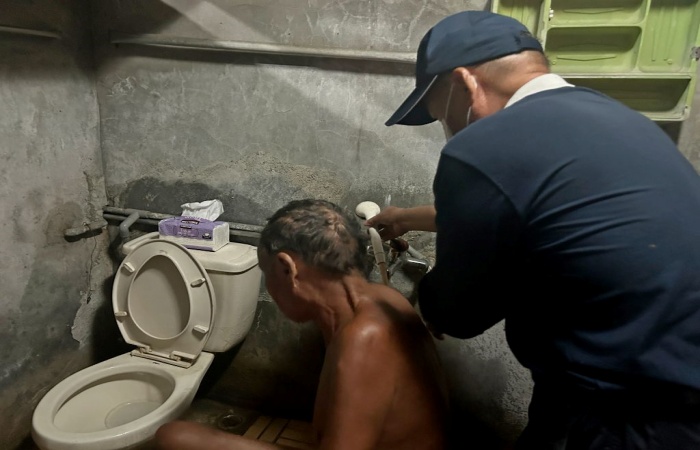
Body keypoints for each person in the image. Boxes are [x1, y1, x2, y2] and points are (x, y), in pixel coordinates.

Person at [366, 10, 700, 450]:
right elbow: (533, 213)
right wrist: (406, 218)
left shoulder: (482, 147)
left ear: (466, 84)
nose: (449, 130)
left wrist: (427, 300)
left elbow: (460, 313)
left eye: (441, 115)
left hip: (629, 412)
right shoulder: (616, 118)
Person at [155, 199, 449, 450]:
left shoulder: (364, 340)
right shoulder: (380, 299)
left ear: (288, 269)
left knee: (175, 438)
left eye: (266, 272)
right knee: (176, 436)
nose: (269, 286)